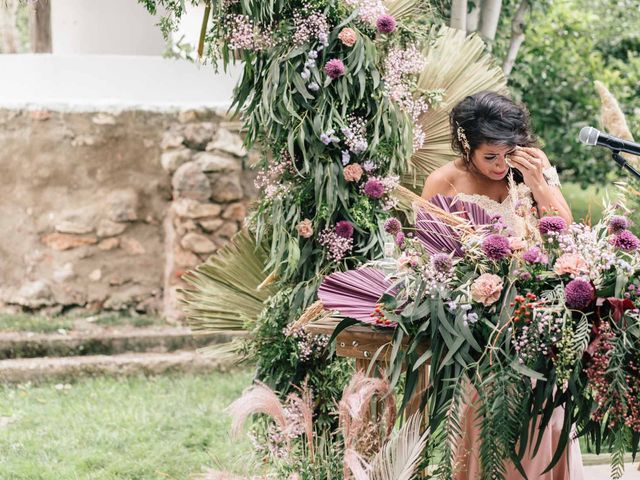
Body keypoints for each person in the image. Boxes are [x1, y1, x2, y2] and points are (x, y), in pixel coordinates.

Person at [421, 91, 584, 479]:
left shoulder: (534, 165)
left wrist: (537, 182)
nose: (499, 165)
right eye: (489, 157)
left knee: (544, 420)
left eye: (506, 153)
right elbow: (428, 257)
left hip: (535, 318)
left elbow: (566, 232)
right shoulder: (444, 181)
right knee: (482, 424)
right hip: (476, 330)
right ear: (467, 147)